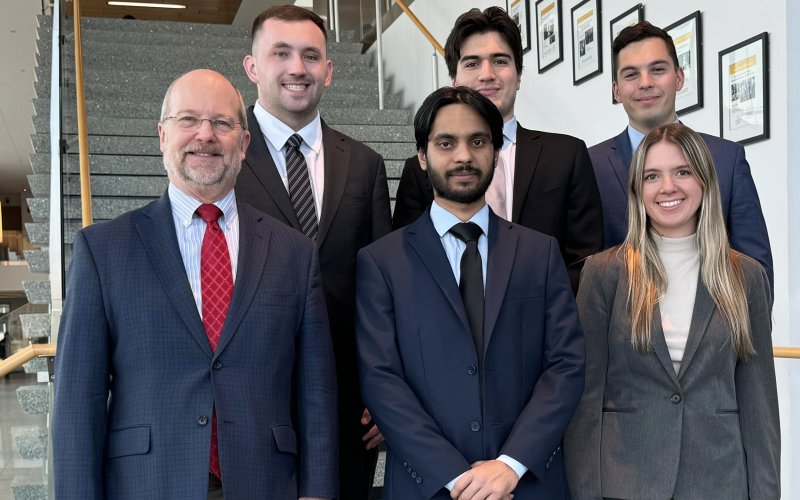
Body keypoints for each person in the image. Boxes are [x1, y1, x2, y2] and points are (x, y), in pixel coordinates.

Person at [52, 69, 337, 500]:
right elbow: (77, 401)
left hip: (265, 481)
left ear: (243, 144)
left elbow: (315, 390)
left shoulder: (294, 253)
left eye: (222, 123)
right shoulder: (103, 250)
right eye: (188, 120)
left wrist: (317, 491)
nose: (205, 135)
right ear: (162, 135)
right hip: (147, 484)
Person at [357, 86, 585, 499]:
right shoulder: (381, 262)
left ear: (495, 152)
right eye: (446, 143)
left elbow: (565, 366)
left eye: (477, 141)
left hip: (526, 483)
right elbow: (381, 379)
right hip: (427, 485)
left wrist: (511, 464)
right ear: (422, 157)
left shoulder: (539, 252)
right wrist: (455, 476)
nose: (463, 156)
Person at [565, 124, 780, 499]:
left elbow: (759, 404)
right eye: (652, 176)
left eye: (682, 171)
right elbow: (586, 400)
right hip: (625, 482)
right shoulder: (603, 273)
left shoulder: (745, 276)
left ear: (705, 181)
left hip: (720, 482)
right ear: (637, 189)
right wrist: (585, 492)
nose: (668, 187)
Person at [237, 6, 392, 499]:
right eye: (280, 53)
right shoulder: (220, 156)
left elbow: (381, 290)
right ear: (252, 67)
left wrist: (385, 394)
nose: (297, 68)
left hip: (349, 409)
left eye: (310, 55)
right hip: (251, 402)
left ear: (329, 69)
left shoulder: (365, 164)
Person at [392, 6, 603, 293]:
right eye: (472, 63)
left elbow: (585, 261)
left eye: (500, 61)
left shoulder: (567, 155)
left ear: (519, 75)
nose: (487, 74)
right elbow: (408, 261)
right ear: (453, 79)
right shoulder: (421, 168)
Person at [591, 21, 773, 291]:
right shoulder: (589, 164)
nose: (645, 83)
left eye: (657, 70)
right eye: (631, 74)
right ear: (616, 90)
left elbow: (756, 272)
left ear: (679, 78)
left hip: (714, 329)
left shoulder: (726, 159)